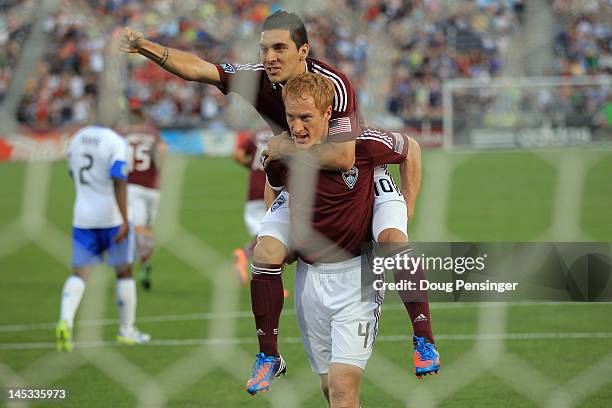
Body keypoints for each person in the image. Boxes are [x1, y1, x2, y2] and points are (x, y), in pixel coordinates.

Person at [119, 10, 437, 389]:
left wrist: (285, 146)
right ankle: (268, 354)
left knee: (393, 242)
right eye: (265, 48)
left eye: (280, 48)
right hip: (303, 179)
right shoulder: (258, 80)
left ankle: (424, 339)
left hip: (360, 176)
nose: (269, 56)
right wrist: (143, 47)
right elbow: (198, 70)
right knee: (265, 251)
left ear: (303, 51)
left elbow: (343, 157)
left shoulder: (334, 84)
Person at [264, 72, 436, 406]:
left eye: (306, 118)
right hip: (310, 281)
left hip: (359, 277)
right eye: (291, 117)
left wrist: (408, 210)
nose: (297, 127)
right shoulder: (283, 147)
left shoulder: (363, 142)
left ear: (328, 113)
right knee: (330, 389)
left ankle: (424, 338)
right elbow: (275, 188)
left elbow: (411, 148)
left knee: (343, 390)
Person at [56, 124, 151, 352]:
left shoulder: (77, 138)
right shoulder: (115, 141)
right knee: (124, 271)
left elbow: (72, 173)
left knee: (80, 274)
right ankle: (126, 331)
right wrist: (124, 218)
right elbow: (119, 178)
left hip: (83, 217)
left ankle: (65, 320)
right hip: (111, 218)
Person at [119, 103, 167, 290]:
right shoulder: (152, 133)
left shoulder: (123, 135)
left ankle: (138, 260)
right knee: (148, 227)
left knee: (137, 227)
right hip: (153, 187)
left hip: (132, 186)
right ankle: (145, 261)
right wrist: (161, 173)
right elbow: (163, 149)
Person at [232, 128, 273, 285]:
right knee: (275, 235)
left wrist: (253, 167)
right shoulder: (284, 132)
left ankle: (245, 255)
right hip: (273, 187)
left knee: (267, 235)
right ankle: (245, 254)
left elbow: (238, 154)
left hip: (254, 188)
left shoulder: (257, 133)